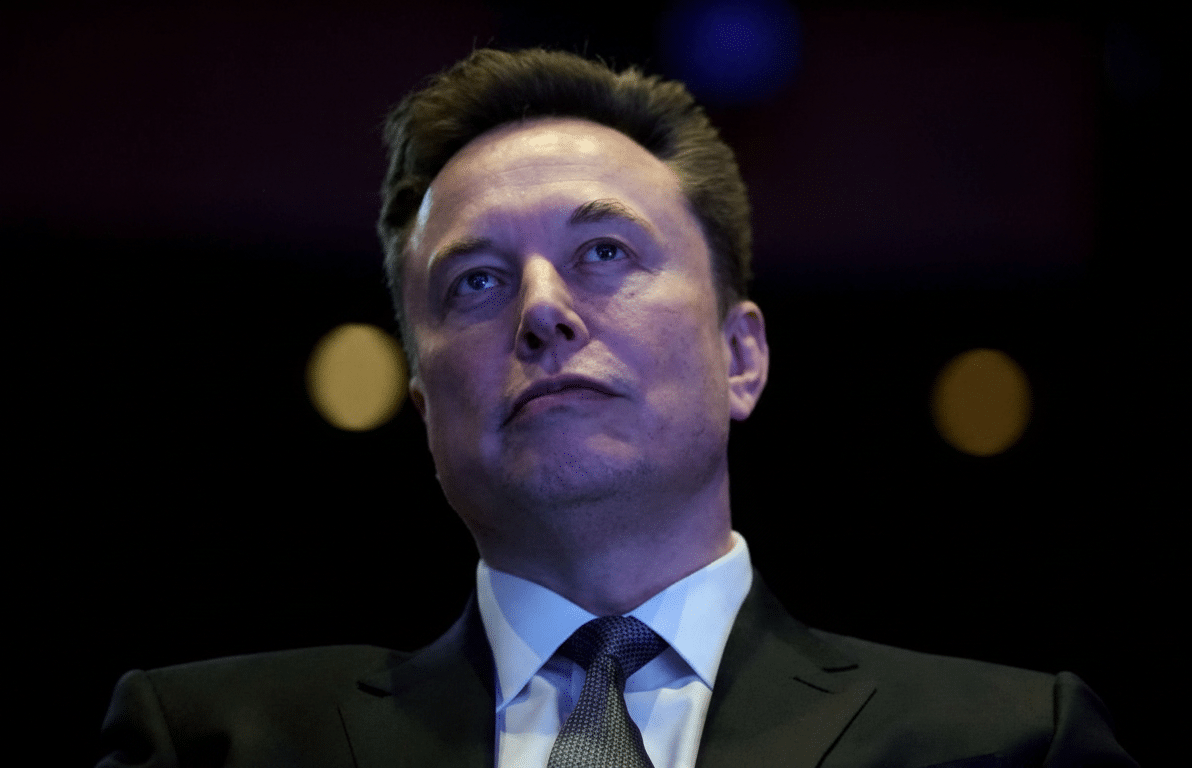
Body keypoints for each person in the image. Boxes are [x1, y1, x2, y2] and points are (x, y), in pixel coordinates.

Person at [97, 48, 1138, 768]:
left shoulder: (1009, 741)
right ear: (424, 408)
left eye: (604, 253)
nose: (543, 311)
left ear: (741, 355)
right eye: (476, 281)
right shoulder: (212, 741)